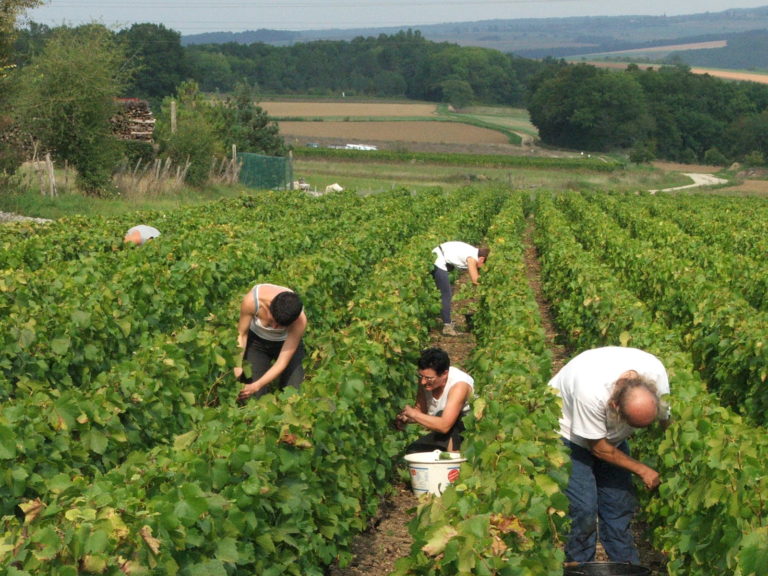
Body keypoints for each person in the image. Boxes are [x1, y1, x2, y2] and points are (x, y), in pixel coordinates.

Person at [549, 346, 671, 565]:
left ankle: (626, 566)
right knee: (583, 509)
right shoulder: (589, 390)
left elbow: (666, 421)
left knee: (618, 504)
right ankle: (580, 566)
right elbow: (598, 447)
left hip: (608, 439)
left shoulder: (657, 373)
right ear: (614, 407)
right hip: (567, 433)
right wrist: (642, 469)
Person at [235, 283, 307, 402]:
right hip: (257, 343)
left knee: (294, 394)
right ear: (269, 307)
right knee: (253, 397)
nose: (274, 327)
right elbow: (241, 334)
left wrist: (256, 385)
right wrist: (237, 365)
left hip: (286, 345)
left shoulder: (300, 321)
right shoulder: (253, 302)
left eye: (280, 326)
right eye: (272, 321)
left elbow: (282, 362)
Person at [396, 347, 474, 454]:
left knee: (452, 422)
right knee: (414, 450)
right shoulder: (425, 381)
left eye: (428, 378)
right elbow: (420, 411)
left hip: (465, 431)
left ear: (444, 374)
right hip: (442, 429)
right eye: (421, 376)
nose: (423, 382)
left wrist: (414, 415)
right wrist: (407, 417)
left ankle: (454, 464)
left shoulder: (459, 386)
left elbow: (445, 425)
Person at [430, 241, 489, 336]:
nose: (483, 268)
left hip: (439, 256)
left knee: (443, 291)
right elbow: (475, 280)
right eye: (484, 265)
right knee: (446, 294)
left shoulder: (473, 253)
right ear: (481, 259)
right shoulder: (472, 258)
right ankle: (447, 327)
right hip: (438, 260)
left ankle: (440, 316)